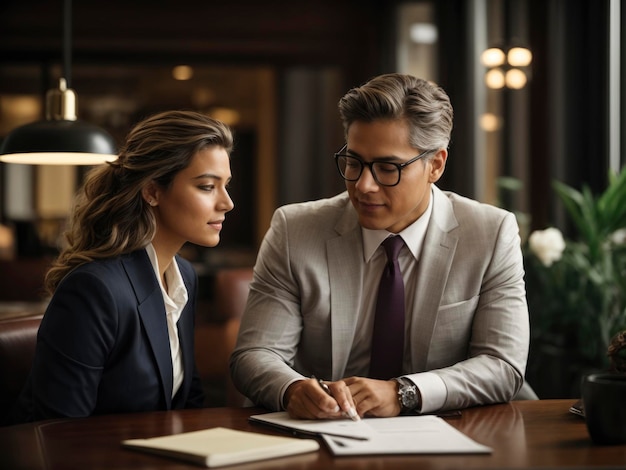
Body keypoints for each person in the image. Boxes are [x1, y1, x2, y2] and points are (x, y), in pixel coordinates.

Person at [230, 73, 531, 420]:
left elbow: (503, 365)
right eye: (354, 162)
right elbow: (255, 354)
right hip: (329, 432)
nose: (363, 185)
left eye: (388, 168)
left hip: (455, 431)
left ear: (435, 164)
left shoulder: (490, 233)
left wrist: (405, 393)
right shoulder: (295, 230)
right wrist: (293, 389)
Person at [6, 110, 235, 424]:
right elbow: (59, 429)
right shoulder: (95, 290)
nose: (227, 203)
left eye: (225, 185)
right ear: (153, 191)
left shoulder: (184, 277)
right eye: (208, 186)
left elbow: (186, 399)